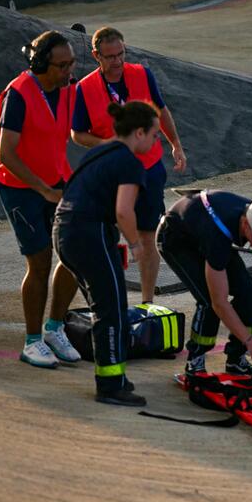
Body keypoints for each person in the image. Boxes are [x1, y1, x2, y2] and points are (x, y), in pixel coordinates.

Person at [54, 101, 160, 406]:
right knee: (111, 308)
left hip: (65, 230)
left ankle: (115, 377)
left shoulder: (99, 151)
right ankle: (110, 385)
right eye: (154, 135)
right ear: (139, 132)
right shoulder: (128, 162)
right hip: (90, 232)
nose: (156, 142)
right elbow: (124, 211)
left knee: (106, 306)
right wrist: (136, 244)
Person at [72, 27, 187, 306]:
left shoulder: (142, 74)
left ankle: (147, 303)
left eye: (121, 54)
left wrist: (176, 145)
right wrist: (109, 142)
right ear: (96, 55)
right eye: (110, 56)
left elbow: (161, 109)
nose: (117, 61)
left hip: (147, 168)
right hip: (109, 172)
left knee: (149, 237)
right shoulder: (84, 88)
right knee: (106, 237)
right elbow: (77, 133)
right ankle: (113, 304)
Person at [0, 30, 82, 369]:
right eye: (62, 65)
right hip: (19, 186)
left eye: (71, 63)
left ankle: (55, 328)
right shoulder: (19, 93)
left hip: (57, 179)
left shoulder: (67, 89)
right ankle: (32, 342)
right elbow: (8, 153)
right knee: (40, 260)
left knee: (74, 252)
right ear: (41, 63)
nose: (68, 71)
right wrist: (43, 189)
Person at [156, 191, 252, 375]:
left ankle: (236, 359)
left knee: (247, 291)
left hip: (205, 232)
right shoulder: (217, 233)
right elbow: (220, 302)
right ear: (246, 225)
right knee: (208, 301)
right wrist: (250, 341)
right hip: (177, 240)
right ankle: (196, 361)